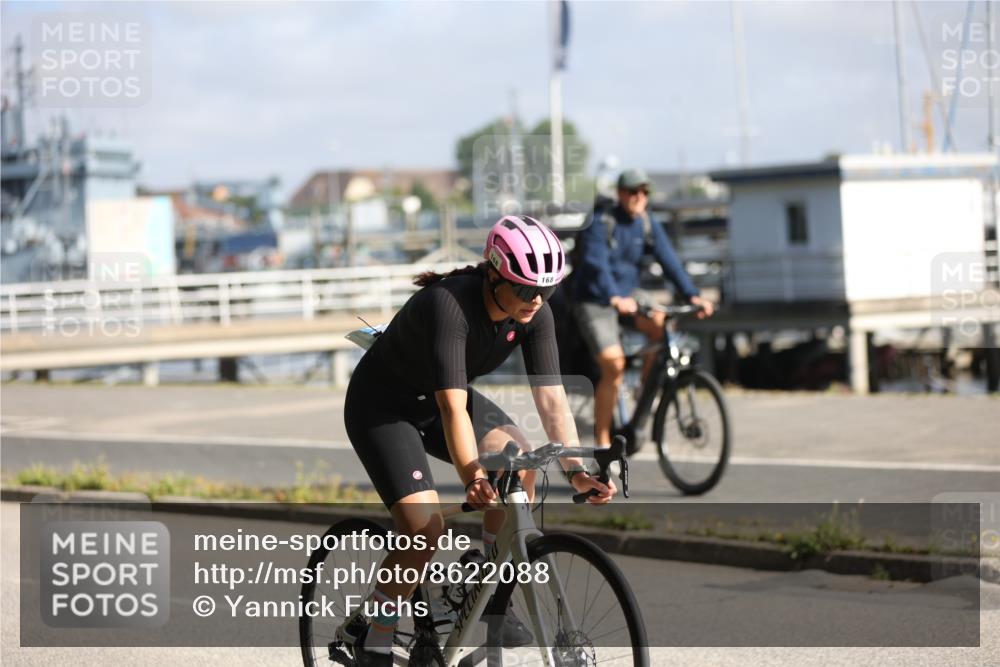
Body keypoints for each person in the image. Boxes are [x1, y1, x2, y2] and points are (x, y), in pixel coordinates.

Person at [343, 214, 617, 665]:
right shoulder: (448, 307)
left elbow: (551, 399)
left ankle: (485, 590)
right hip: (384, 407)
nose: (536, 300)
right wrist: (473, 475)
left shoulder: (535, 313)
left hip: (436, 400)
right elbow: (452, 408)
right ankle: (376, 627)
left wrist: (577, 471)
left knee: (522, 463)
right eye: (526, 288)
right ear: (494, 274)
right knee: (424, 528)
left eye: (545, 290)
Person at [573, 168, 715, 448]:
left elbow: (669, 259)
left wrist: (693, 295)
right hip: (596, 299)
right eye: (633, 192)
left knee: (662, 323)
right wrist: (614, 297)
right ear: (620, 193)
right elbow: (595, 264)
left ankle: (644, 389)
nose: (640, 197)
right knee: (614, 366)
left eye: (645, 192)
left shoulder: (647, 223)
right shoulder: (602, 221)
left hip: (630, 295)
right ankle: (602, 441)